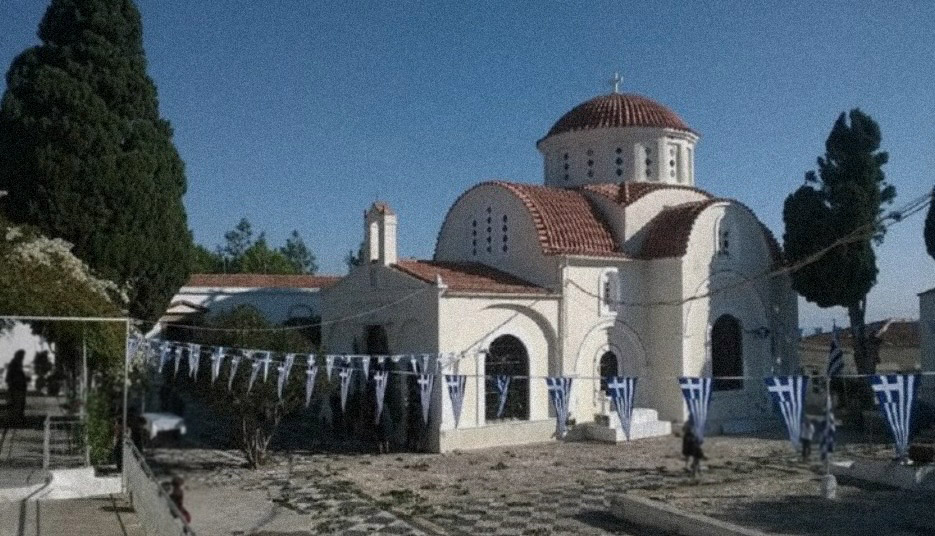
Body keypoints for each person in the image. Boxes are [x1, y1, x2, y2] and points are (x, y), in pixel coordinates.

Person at [5, 350, 29, 425]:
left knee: (19, 405)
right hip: (16, 389)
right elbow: (9, 378)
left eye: (23, 356)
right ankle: (16, 420)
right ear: (18, 356)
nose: (23, 358)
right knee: (17, 405)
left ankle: (18, 419)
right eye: (22, 356)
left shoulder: (17, 364)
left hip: (18, 388)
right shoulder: (14, 364)